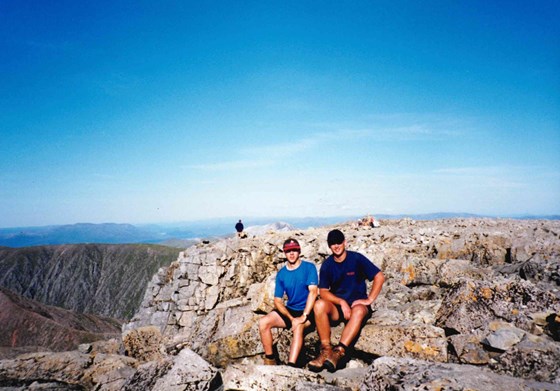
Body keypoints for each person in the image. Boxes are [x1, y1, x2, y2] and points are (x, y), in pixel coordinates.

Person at [308, 229, 385, 372]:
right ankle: (326, 350)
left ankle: (339, 352)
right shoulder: (328, 265)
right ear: (329, 246)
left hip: (358, 304)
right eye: (332, 244)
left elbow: (379, 277)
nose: (336, 246)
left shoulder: (357, 259)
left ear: (345, 243)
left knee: (359, 310)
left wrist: (369, 300)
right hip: (338, 308)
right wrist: (342, 303)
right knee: (319, 305)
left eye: (339, 242)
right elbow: (323, 291)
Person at [258, 238, 318, 366]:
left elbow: (313, 292)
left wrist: (303, 316)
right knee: (263, 322)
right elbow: (277, 301)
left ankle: (291, 366)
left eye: (294, 250)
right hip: (291, 310)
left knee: (298, 327)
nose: (291, 254)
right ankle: (270, 359)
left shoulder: (309, 267)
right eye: (288, 251)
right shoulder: (282, 274)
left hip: (308, 310)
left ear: (299, 251)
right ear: (284, 253)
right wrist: (291, 319)